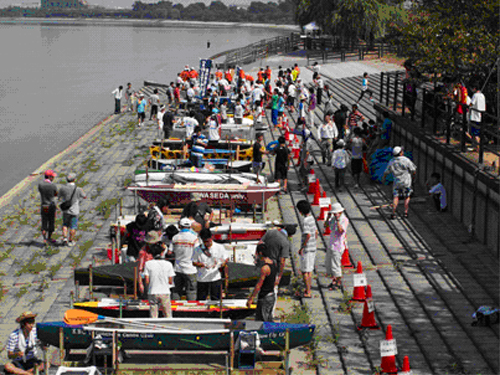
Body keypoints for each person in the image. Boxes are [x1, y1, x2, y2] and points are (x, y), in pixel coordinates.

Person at [192, 228, 229, 301]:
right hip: (202, 279)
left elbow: (226, 258)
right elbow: (194, 262)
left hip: (215, 278)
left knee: (216, 299)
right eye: (204, 241)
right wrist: (202, 265)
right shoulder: (197, 249)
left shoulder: (219, 247)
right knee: (201, 300)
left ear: (211, 237)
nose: (206, 243)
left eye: (208, 241)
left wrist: (222, 264)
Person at [382, 146, 417, 219]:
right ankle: (405, 212)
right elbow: (413, 170)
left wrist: (384, 179)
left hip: (397, 182)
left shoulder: (392, 161)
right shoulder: (406, 160)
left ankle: (393, 213)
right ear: (400, 153)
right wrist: (413, 177)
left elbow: (386, 172)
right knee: (407, 196)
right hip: (406, 182)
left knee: (396, 197)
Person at [259, 224, 296, 291]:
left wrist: (258, 257)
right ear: (290, 235)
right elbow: (282, 261)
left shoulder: (271, 232)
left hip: (263, 260)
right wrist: (279, 276)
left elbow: (260, 243)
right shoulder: (285, 243)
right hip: (273, 265)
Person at [246, 243, 277, 322]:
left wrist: (251, 298)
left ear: (260, 253)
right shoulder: (273, 263)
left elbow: (259, 285)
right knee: (268, 318)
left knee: (262, 321)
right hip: (271, 295)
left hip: (265, 297)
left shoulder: (265, 268)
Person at [171, 218, 199, 301]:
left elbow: (169, 252)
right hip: (191, 269)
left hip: (177, 268)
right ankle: (191, 309)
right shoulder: (194, 238)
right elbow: (197, 252)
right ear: (190, 226)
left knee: (176, 290)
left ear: (180, 226)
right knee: (191, 291)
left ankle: (175, 309)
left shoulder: (175, 238)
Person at [144, 242, 175, 318]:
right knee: (168, 315)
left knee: (153, 315)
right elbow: (170, 281)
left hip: (152, 292)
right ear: (162, 252)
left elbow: (147, 281)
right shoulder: (168, 264)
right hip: (165, 291)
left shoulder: (148, 264)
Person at [324, 203, 349, 290]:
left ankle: (338, 283)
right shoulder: (333, 219)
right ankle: (334, 281)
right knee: (329, 264)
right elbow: (325, 226)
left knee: (336, 265)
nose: (335, 214)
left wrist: (338, 220)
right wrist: (328, 217)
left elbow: (341, 230)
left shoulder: (344, 219)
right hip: (331, 244)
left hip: (338, 246)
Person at [59, 173, 86, 246]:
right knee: (73, 226)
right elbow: (84, 196)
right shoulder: (78, 189)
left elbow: (59, 196)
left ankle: (64, 238)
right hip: (74, 210)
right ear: (74, 179)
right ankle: (71, 240)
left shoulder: (63, 188)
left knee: (65, 224)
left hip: (66, 210)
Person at [296, 200, 317, 298]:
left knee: (305, 271)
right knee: (309, 270)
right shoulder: (312, 218)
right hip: (313, 247)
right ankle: (308, 289)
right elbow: (315, 232)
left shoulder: (305, 221)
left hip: (307, 248)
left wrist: (302, 247)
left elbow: (307, 234)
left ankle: (308, 291)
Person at [38, 169, 58, 246]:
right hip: (51, 205)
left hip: (44, 205)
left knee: (44, 222)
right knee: (51, 222)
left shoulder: (40, 185)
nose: (53, 178)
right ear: (49, 177)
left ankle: (44, 238)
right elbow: (56, 194)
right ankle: (49, 237)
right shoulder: (52, 185)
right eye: (52, 177)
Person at [468, 85, 486, 152]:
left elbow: (471, 104)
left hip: (475, 116)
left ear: (474, 88)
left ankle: (477, 147)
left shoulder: (475, 95)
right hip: (480, 116)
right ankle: (475, 146)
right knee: (477, 132)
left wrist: (468, 106)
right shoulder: (482, 95)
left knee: (474, 133)